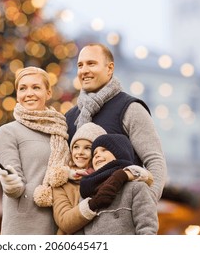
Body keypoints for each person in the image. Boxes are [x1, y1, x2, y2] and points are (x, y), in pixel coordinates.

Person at [65, 43, 167, 202]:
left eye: (91, 63)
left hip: (120, 216)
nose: (84, 70)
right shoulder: (70, 117)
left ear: (109, 68)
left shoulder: (130, 108)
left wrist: (145, 204)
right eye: (80, 65)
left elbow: (154, 161)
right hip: (78, 218)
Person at [0, 66, 71, 235]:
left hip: (60, 221)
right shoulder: (8, 132)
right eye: (23, 88)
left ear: (48, 93)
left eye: (36, 87)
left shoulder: (61, 130)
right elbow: (15, 186)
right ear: (17, 95)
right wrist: (10, 182)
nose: (29, 93)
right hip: (25, 225)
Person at [52, 122, 153, 235]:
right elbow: (65, 222)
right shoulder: (74, 185)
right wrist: (94, 203)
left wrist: (121, 175)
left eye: (88, 148)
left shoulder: (132, 184)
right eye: (76, 147)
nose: (80, 152)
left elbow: (147, 226)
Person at [79, 133, 158, 234]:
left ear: (120, 152)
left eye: (104, 150)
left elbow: (147, 227)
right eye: (94, 154)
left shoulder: (136, 188)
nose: (97, 155)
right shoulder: (86, 191)